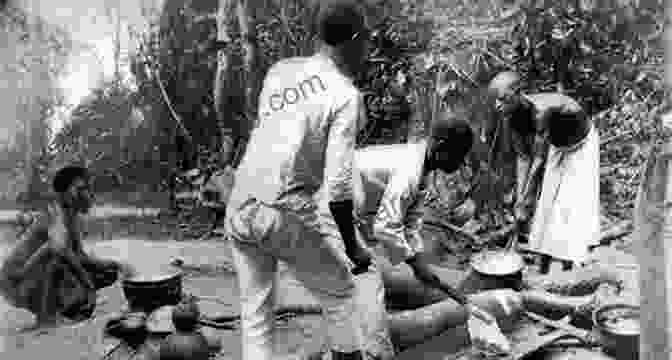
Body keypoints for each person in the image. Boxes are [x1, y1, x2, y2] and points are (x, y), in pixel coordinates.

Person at [223, 1, 375, 360]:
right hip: (281, 210)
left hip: (240, 204)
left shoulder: (281, 72)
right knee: (341, 294)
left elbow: (272, 134)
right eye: (366, 40)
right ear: (354, 39)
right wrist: (353, 249)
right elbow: (338, 191)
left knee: (256, 313)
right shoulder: (345, 96)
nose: (368, 49)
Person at [488, 72, 600, 274]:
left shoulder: (541, 111)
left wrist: (525, 200)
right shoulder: (511, 116)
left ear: (518, 93)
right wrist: (520, 199)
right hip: (558, 145)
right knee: (546, 203)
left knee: (570, 203)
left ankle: (573, 265)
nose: (497, 105)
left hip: (582, 145)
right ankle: (543, 266)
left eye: (502, 99)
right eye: (495, 100)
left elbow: (538, 160)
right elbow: (523, 158)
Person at [0, 166, 133, 329]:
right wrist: (88, 286)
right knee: (60, 260)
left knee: (106, 274)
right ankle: (46, 317)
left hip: (32, 271)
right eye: (80, 189)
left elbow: (80, 256)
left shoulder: (72, 216)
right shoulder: (55, 214)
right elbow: (58, 250)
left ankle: (65, 307)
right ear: (61, 194)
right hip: (16, 279)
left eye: (88, 189)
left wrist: (116, 265)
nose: (87, 194)